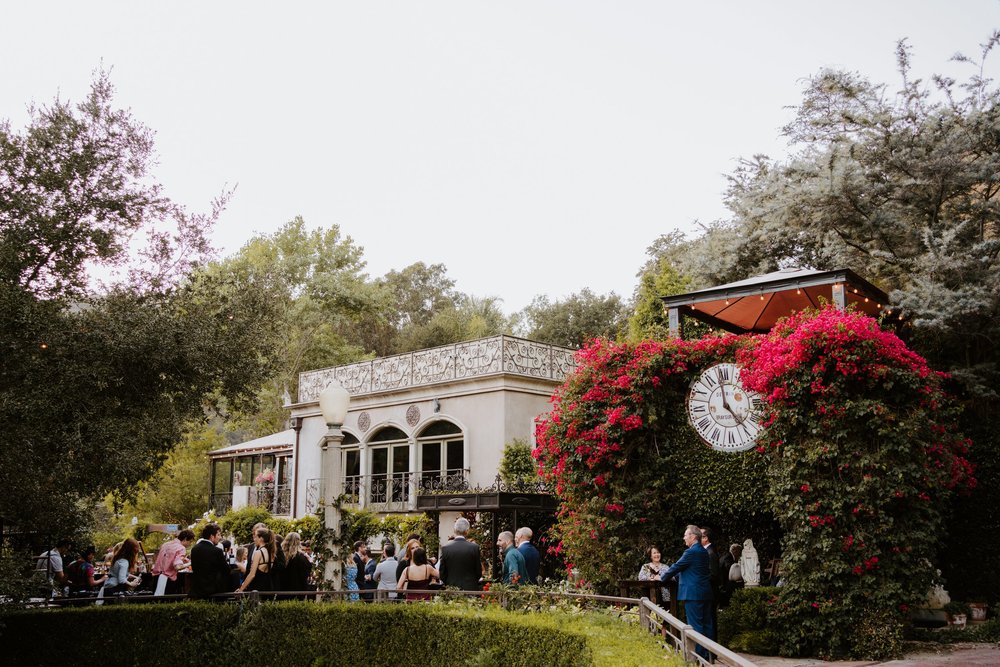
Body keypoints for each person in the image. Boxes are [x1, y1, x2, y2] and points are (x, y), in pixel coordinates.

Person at [660, 525, 713, 662]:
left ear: (693, 537)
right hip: (705, 593)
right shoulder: (703, 551)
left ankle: (699, 658)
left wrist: (662, 578)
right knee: (707, 625)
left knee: (695, 627)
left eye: (685, 535)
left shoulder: (691, 552)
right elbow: (692, 570)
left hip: (693, 594)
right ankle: (709, 656)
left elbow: (677, 566)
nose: (684, 538)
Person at [189, 523, 232, 599]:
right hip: (212, 590)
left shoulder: (194, 549)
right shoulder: (217, 551)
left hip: (196, 589)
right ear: (212, 536)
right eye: (218, 535)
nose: (220, 537)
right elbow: (226, 570)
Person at [438, 517, 483, 591]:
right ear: (467, 531)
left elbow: (442, 572)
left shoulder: (445, 548)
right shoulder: (474, 548)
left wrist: (448, 583)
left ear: (455, 530)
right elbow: (478, 571)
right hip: (470, 588)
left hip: (451, 588)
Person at [152, 529, 195, 595]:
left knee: (155, 603)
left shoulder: (165, 544)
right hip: (166, 579)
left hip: (156, 577)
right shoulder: (181, 548)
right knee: (166, 603)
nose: (189, 544)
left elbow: (166, 559)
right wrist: (191, 563)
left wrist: (182, 560)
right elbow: (178, 566)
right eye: (190, 542)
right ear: (185, 539)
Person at [700, 526, 721, 642]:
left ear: (706, 538)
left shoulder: (710, 553)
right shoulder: (707, 551)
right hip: (709, 591)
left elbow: (713, 575)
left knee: (710, 620)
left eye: (700, 536)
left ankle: (712, 652)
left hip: (711, 592)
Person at [239, 526, 274, 593]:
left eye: (256, 537)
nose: (254, 539)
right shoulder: (271, 552)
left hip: (257, 589)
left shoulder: (258, 553)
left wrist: (241, 589)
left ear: (261, 538)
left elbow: (252, 574)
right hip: (267, 587)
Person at [280, 532, 313, 596]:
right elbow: (305, 574)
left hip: (282, 589)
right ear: (298, 542)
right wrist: (310, 562)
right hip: (297, 591)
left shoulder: (280, 555)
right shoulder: (301, 557)